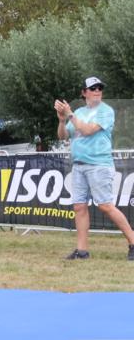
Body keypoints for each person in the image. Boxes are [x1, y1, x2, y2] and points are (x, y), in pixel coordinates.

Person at [55, 77, 134, 261]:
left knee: (105, 205)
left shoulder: (106, 111)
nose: (97, 90)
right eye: (93, 88)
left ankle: (133, 241)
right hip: (79, 165)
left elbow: (88, 130)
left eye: (99, 88)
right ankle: (82, 251)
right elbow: (63, 136)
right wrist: (61, 120)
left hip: (99, 165)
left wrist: (70, 115)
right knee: (79, 207)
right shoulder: (80, 111)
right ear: (84, 92)